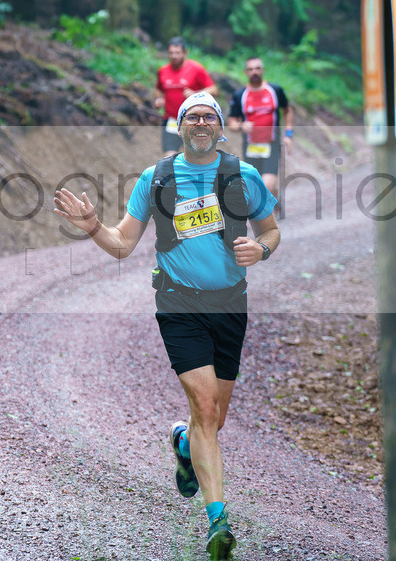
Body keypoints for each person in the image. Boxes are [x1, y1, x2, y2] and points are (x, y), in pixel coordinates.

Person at [54, 92, 279, 560]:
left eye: (208, 116)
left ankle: (183, 441)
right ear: (179, 126)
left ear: (221, 127)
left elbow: (271, 230)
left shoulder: (245, 176)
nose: (200, 122)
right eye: (192, 116)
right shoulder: (155, 178)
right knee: (203, 404)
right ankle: (219, 521)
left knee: (212, 419)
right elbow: (121, 245)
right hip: (177, 302)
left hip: (230, 303)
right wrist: (95, 225)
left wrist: (263, 250)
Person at [227, 57, 292, 200]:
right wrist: (240, 126)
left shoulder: (275, 90)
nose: (254, 72)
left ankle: (267, 211)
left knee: (266, 185)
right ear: (245, 72)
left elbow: (287, 110)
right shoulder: (240, 95)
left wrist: (288, 134)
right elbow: (231, 122)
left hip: (272, 144)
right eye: (250, 69)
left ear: (262, 70)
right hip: (250, 146)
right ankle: (275, 199)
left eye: (257, 68)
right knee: (255, 186)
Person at [155, 38, 218, 154]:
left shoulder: (196, 69)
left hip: (194, 120)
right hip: (172, 120)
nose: (174, 56)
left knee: (194, 156)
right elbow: (159, 90)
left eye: (177, 53)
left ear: (185, 53)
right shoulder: (163, 71)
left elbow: (213, 89)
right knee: (169, 156)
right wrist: (159, 99)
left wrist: (196, 94)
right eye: (171, 53)